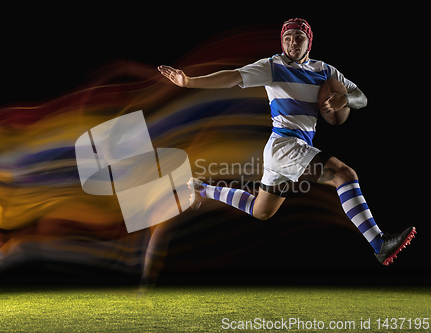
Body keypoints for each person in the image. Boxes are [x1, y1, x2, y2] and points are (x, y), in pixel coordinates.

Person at [158, 18, 415, 265]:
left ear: (309, 42)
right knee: (344, 174)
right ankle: (379, 243)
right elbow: (233, 77)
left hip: (284, 150)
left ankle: (201, 188)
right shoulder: (272, 66)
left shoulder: (325, 71)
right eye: (287, 38)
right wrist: (189, 81)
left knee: (262, 210)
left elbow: (362, 97)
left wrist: (345, 99)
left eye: (299, 37)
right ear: (282, 43)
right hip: (285, 146)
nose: (293, 42)